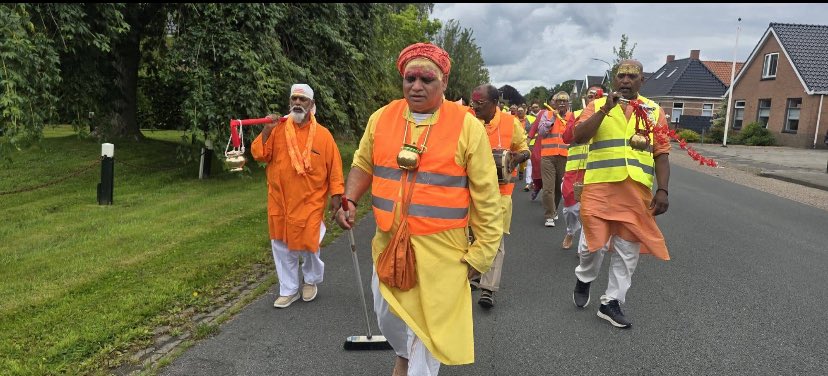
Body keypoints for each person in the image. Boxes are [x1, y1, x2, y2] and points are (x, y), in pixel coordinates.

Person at [335, 42, 502, 375]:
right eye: (410, 78)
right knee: (389, 316)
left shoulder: (467, 126)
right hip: (387, 246)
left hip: (443, 253)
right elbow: (363, 163)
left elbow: (487, 197)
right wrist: (350, 198)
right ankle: (404, 354)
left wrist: (480, 256)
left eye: (427, 79)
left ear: (443, 84)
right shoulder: (381, 118)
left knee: (426, 336)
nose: (416, 86)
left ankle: (412, 363)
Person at [571, 60, 671, 329]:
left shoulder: (654, 111)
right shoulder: (597, 105)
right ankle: (584, 276)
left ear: (642, 81)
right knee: (592, 246)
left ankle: (611, 302)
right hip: (599, 187)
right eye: (621, 76)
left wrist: (662, 189)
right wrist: (605, 109)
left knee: (628, 250)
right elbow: (578, 136)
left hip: (636, 191)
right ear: (614, 80)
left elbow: (661, 153)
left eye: (632, 76)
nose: (626, 80)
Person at [250, 84, 344, 308]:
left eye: (303, 100)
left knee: (309, 244)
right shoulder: (277, 129)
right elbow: (260, 155)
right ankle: (288, 289)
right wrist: (266, 130)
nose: (298, 103)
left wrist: (337, 194)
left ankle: (310, 280)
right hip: (280, 200)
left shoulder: (323, 135)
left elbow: (335, 168)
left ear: (311, 105)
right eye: (294, 99)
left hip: (310, 200)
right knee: (281, 245)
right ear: (290, 102)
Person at [469, 84, 530, 308]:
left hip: (499, 193)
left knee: (493, 239)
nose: (474, 106)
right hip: (467, 191)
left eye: (480, 103)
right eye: (472, 101)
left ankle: (488, 288)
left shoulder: (509, 122)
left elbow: (525, 149)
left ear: (495, 103)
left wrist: (516, 159)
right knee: (469, 236)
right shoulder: (466, 119)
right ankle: (474, 276)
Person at [559, 85, 604, 249]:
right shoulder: (577, 114)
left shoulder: (610, 115)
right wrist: (579, 123)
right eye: (590, 95)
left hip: (598, 169)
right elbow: (566, 138)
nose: (593, 98)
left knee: (590, 210)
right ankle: (571, 230)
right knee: (571, 209)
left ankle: (584, 246)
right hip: (574, 169)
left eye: (597, 95)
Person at [537, 92, 573, 227]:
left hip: (565, 156)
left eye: (565, 101)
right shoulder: (547, 115)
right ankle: (549, 215)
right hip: (547, 156)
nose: (562, 103)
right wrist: (552, 120)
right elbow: (541, 132)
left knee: (559, 188)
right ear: (554, 103)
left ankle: (554, 210)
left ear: (568, 103)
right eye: (559, 101)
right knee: (548, 188)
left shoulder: (572, 117)